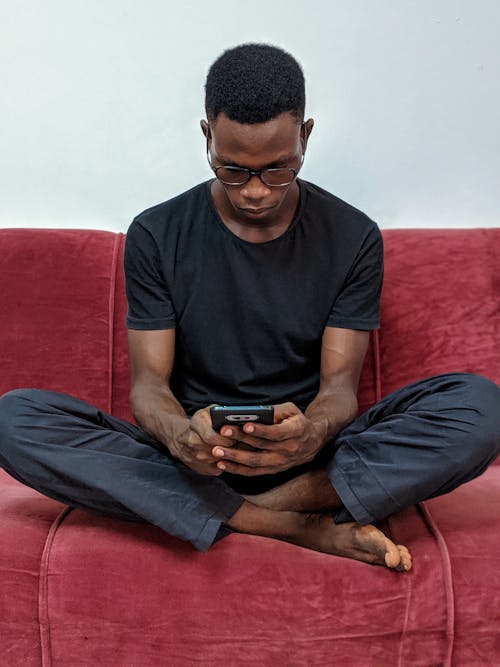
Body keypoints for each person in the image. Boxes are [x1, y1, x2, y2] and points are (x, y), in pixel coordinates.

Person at [0, 44, 499, 572]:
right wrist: (181, 435)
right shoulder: (157, 234)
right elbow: (148, 386)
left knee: (480, 407)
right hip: (192, 462)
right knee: (14, 417)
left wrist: (309, 435)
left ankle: (252, 510)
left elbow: (338, 391)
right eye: (232, 170)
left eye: (278, 170)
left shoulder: (354, 238)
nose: (256, 192)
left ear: (305, 137)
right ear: (206, 136)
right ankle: (291, 525)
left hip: (310, 459)